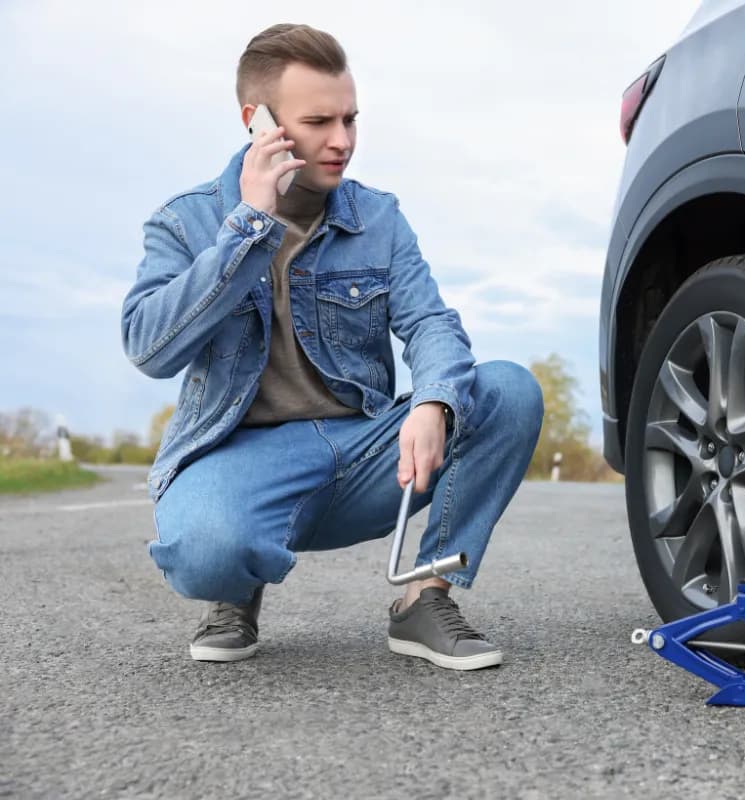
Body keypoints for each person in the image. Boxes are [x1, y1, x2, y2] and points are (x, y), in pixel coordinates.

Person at [121, 23, 543, 669]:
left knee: (508, 390)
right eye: (319, 121)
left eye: (350, 119)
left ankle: (422, 599)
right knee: (207, 552)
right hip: (243, 458)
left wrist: (432, 402)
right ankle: (235, 588)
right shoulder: (187, 221)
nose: (342, 141)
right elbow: (149, 351)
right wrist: (247, 230)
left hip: (361, 450)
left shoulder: (378, 216)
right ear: (257, 121)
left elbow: (431, 323)